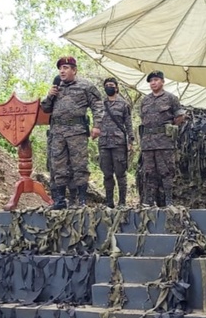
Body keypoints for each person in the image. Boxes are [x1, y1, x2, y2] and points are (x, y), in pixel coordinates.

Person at [41, 56, 104, 209]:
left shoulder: (86, 86)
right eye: (60, 68)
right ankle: (60, 200)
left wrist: (97, 126)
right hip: (57, 133)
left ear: (74, 70)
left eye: (66, 68)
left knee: (79, 166)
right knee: (58, 166)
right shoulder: (56, 87)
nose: (62, 71)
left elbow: (98, 105)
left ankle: (81, 201)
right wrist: (50, 95)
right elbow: (45, 108)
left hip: (77, 133)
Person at [138, 70, 186, 207]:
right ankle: (149, 201)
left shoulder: (171, 98)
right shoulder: (145, 100)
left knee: (166, 171)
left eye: (156, 80)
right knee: (149, 172)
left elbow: (180, 116)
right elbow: (143, 119)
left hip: (164, 142)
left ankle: (169, 200)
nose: (153, 83)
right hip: (148, 143)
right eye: (151, 81)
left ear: (162, 81)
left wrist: (170, 128)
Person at [99, 77, 135, 208]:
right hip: (103, 143)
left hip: (119, 143)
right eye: (107, 85)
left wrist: (131, 141)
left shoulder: (123, 104)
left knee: (120, 173)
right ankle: (109, 202)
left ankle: (122, 202)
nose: (109, 87)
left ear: (116, 87)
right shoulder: (101, 104)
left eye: (111, 85)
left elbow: (128, 124)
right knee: (107, 174)